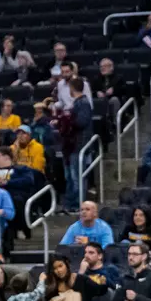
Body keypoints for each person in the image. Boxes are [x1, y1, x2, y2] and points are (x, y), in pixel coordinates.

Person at [60, 78, 93, 212]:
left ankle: (79, 205)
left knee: (77, 177)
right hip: (73, 145)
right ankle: (73, 204)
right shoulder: (78, 103)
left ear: (72, 89)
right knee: (73, 177)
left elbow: (81, 122)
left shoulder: (83, 103)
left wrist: (68, 119)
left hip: (80, 145)